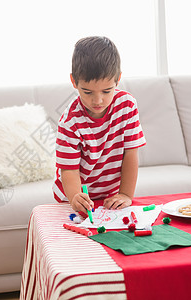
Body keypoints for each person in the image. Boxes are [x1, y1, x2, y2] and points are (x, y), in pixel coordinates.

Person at [52, 36, 146, 215]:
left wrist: (126, 194)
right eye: (87, 92)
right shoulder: (70, 121)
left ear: (118, 79)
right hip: (73, 196)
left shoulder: (127, 105)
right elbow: (69, 170)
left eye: (106, 91)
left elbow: (130, 153)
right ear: (74, 82)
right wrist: (75, 197)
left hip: (111, 197)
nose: (98, 100)